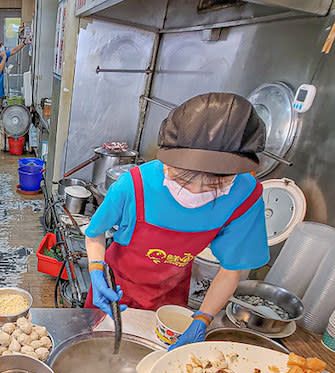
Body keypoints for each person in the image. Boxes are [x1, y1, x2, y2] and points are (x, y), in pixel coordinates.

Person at [84, 92, 269, 350]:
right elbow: (94, 233)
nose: (195, 191)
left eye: (214, 184)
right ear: (167, 159)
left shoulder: (244, 196)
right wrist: (95, 271)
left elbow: (232, 268)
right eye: (185, 178)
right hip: (116, 287)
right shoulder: (133, 185)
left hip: (169, 299)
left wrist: (203, 318)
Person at [0, 35, 30, 150]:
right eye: (0, 45)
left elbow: (13, 50)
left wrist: (25, 43)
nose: (3, 46)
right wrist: (4, 58)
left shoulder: (1, 55)